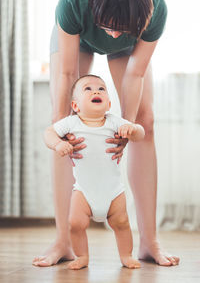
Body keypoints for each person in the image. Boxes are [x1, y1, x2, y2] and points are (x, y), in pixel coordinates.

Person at [33, 0, 180, 267]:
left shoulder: (154, 8)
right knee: (63, 122)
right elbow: (67, 72)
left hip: (130, 41)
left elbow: (135, 75)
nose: (111, 34)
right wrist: (61, 123)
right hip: (77, 38)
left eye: (118, 27)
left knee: (144, 123)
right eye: (107, 26)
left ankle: (150, 242)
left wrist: (125, 127)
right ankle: (63, 240)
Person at [43, 74, 145, 270]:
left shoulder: (114, 121)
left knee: (122, 223)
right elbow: (48, 132)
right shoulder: (71, 123)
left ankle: (126, 255)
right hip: (83, 191)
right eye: (87, 89)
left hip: (113, 192)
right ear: (75, 106)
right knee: (75, 223)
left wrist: (131, 128)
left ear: (108, 103)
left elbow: (141, 133)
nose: (96, 91)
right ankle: (81, 256)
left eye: (101, 89)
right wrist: (57, 143)